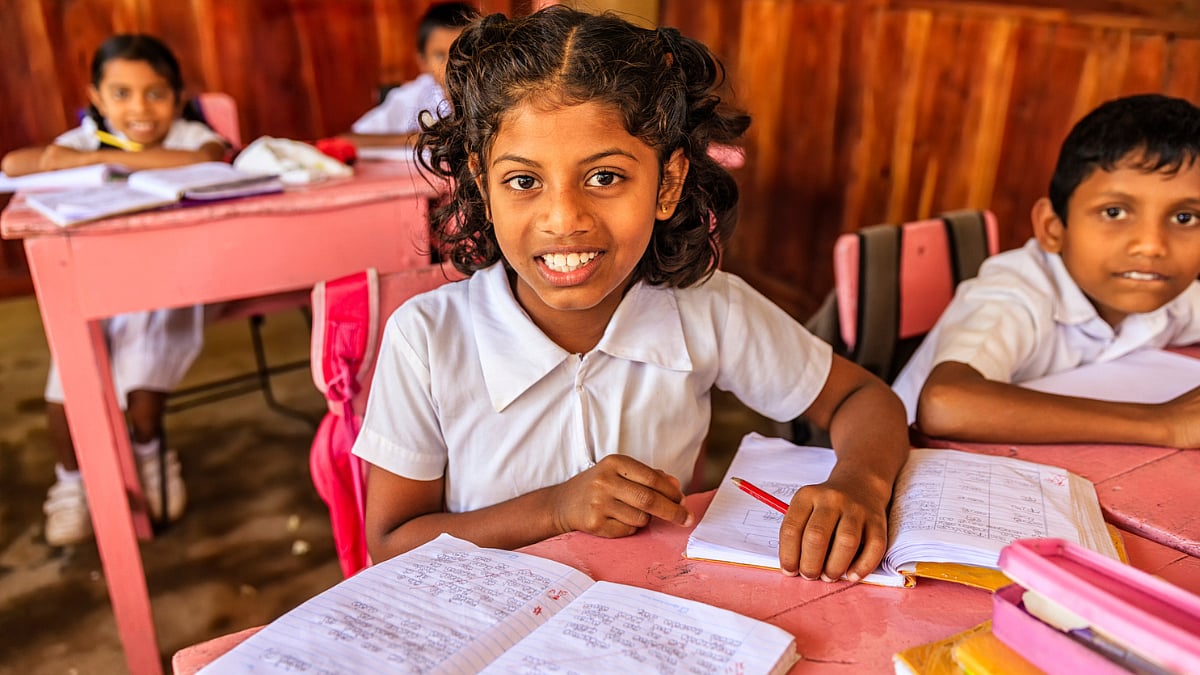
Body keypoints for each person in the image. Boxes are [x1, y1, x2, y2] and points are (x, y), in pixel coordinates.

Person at [353, 6, 910, 584]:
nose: (564, 219)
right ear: (482, 184)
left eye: (605, 177)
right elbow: (393, 542)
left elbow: (863, 400)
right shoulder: (427, 339)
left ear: (666, 184)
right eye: (523, 181)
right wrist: (556, 509)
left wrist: (859, 483)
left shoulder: (706, 309)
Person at [1, 34, 228, 545]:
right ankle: (72, 483)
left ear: (177, 96)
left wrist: (83, 164)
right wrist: (74, 157)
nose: (139, 109)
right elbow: (15, 165)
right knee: (68, 384)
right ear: (97, 99)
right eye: (121, 94)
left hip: (169, 287)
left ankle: (147, 455)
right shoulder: (88, 137)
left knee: (141, 390)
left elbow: (211, 159)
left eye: (155, 93)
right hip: (90, 293)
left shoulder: (190, 135)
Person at [892, 93, 1200, 448]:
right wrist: (1165, 423)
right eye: (1114, 212)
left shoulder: (1168, 294)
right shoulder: (1017, 295)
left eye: (1184, 218)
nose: (1151, 245)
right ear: (1053, 228)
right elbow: (945, 403)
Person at [341, 2, 480, 148]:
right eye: (439, 55)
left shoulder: (492, 93)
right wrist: (417, 139)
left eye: (462, 52)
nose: (451, 64)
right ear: (423, 62)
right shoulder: (410, 97)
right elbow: (348, 140)